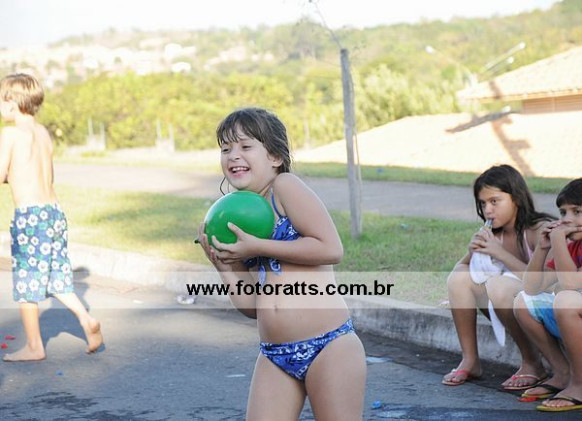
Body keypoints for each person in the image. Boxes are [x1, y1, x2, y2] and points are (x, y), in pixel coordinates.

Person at [197, 107, 366, 420]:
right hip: (275, 354)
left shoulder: (284, 187)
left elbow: (330, 248)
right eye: (225, 149)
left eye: (245, 146)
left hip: (329, 345)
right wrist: (223, 264)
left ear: (274, 156)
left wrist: (258, 246)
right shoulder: (239, 213)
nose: (233, 155)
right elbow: (251, 307)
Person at [0, 73, 103, 361]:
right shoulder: (43, 133)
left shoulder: (10, 134)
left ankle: (34, 347)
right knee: (56, 278)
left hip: (30, 217)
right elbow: (47, 175)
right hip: (53, 213)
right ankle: (86, 319)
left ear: (11, 102)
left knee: (27, 282)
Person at [442, 164, 554, 389]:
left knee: (500, 286)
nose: (488, 210)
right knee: (459, 277)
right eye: (483, 203)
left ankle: (532, 363)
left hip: (546, 304)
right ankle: (470, 360)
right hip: (513, 305)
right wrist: (472, 252)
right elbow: (460, 272)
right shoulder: (493, 234)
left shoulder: (539, 230)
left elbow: (546, 284)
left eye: (495, 201)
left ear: (517, 198)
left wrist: (500, 253)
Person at [514, 178, 582, 412]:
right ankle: (562, 373)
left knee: (565, 299)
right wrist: (543, 249)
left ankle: (580, 385)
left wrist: (558, 241)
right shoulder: (572, 246)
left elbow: (570, 283)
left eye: (577, 211)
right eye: (563, 212)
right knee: (524, 302)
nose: (567, 219)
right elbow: (531, 288)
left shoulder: (565, 244)